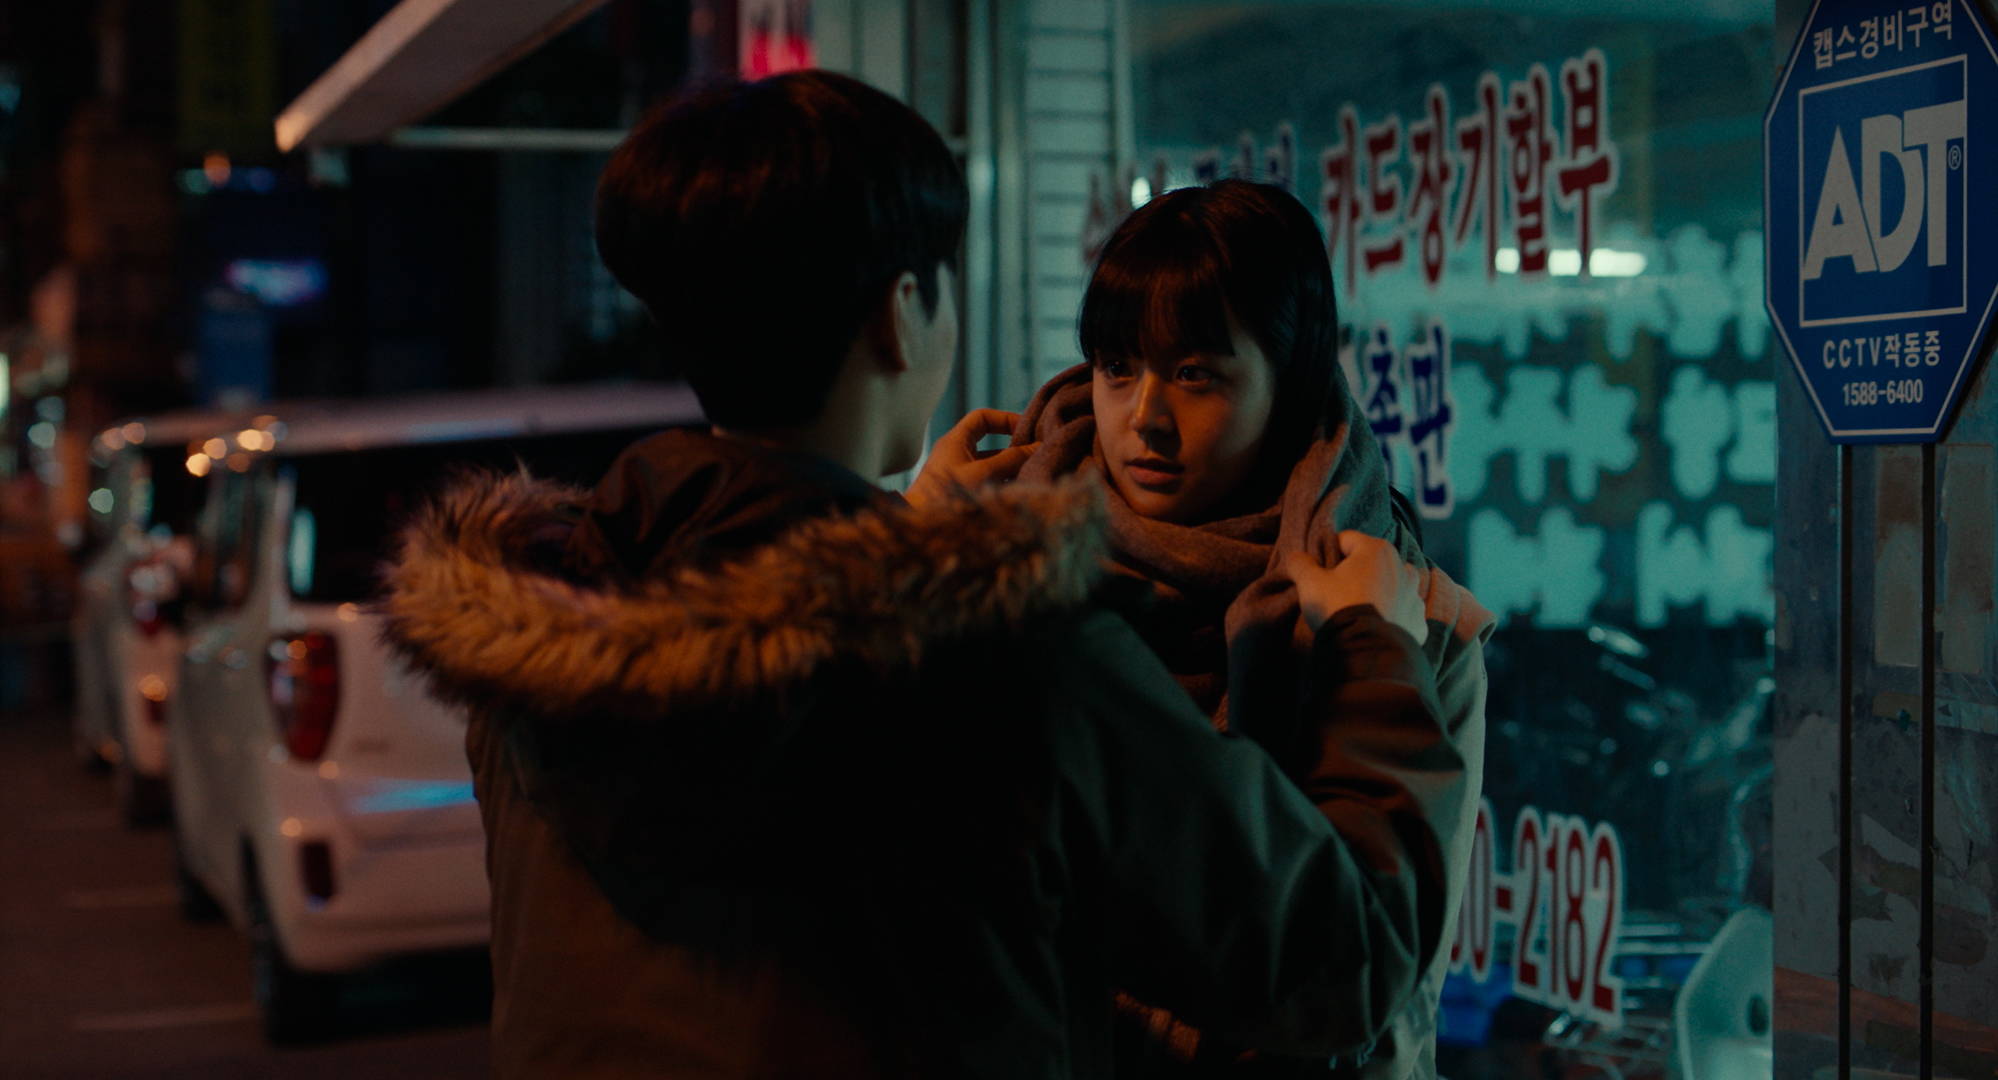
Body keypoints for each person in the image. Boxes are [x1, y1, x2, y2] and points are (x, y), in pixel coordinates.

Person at [380, 72, 1466, 1079]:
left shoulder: (538, 637)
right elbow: (1343, 962)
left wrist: (897, 537)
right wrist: (1375, 652)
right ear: (904, 314)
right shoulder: (1006, 664)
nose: (1144, 414)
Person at [1010, 179, 1496, 1079]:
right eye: (1117, 367)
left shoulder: (1406, 624)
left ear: (1291, 380)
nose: (1144, 418)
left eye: (1196, 374)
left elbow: (1389, 989)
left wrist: (1369, 648)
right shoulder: (1010, 580)